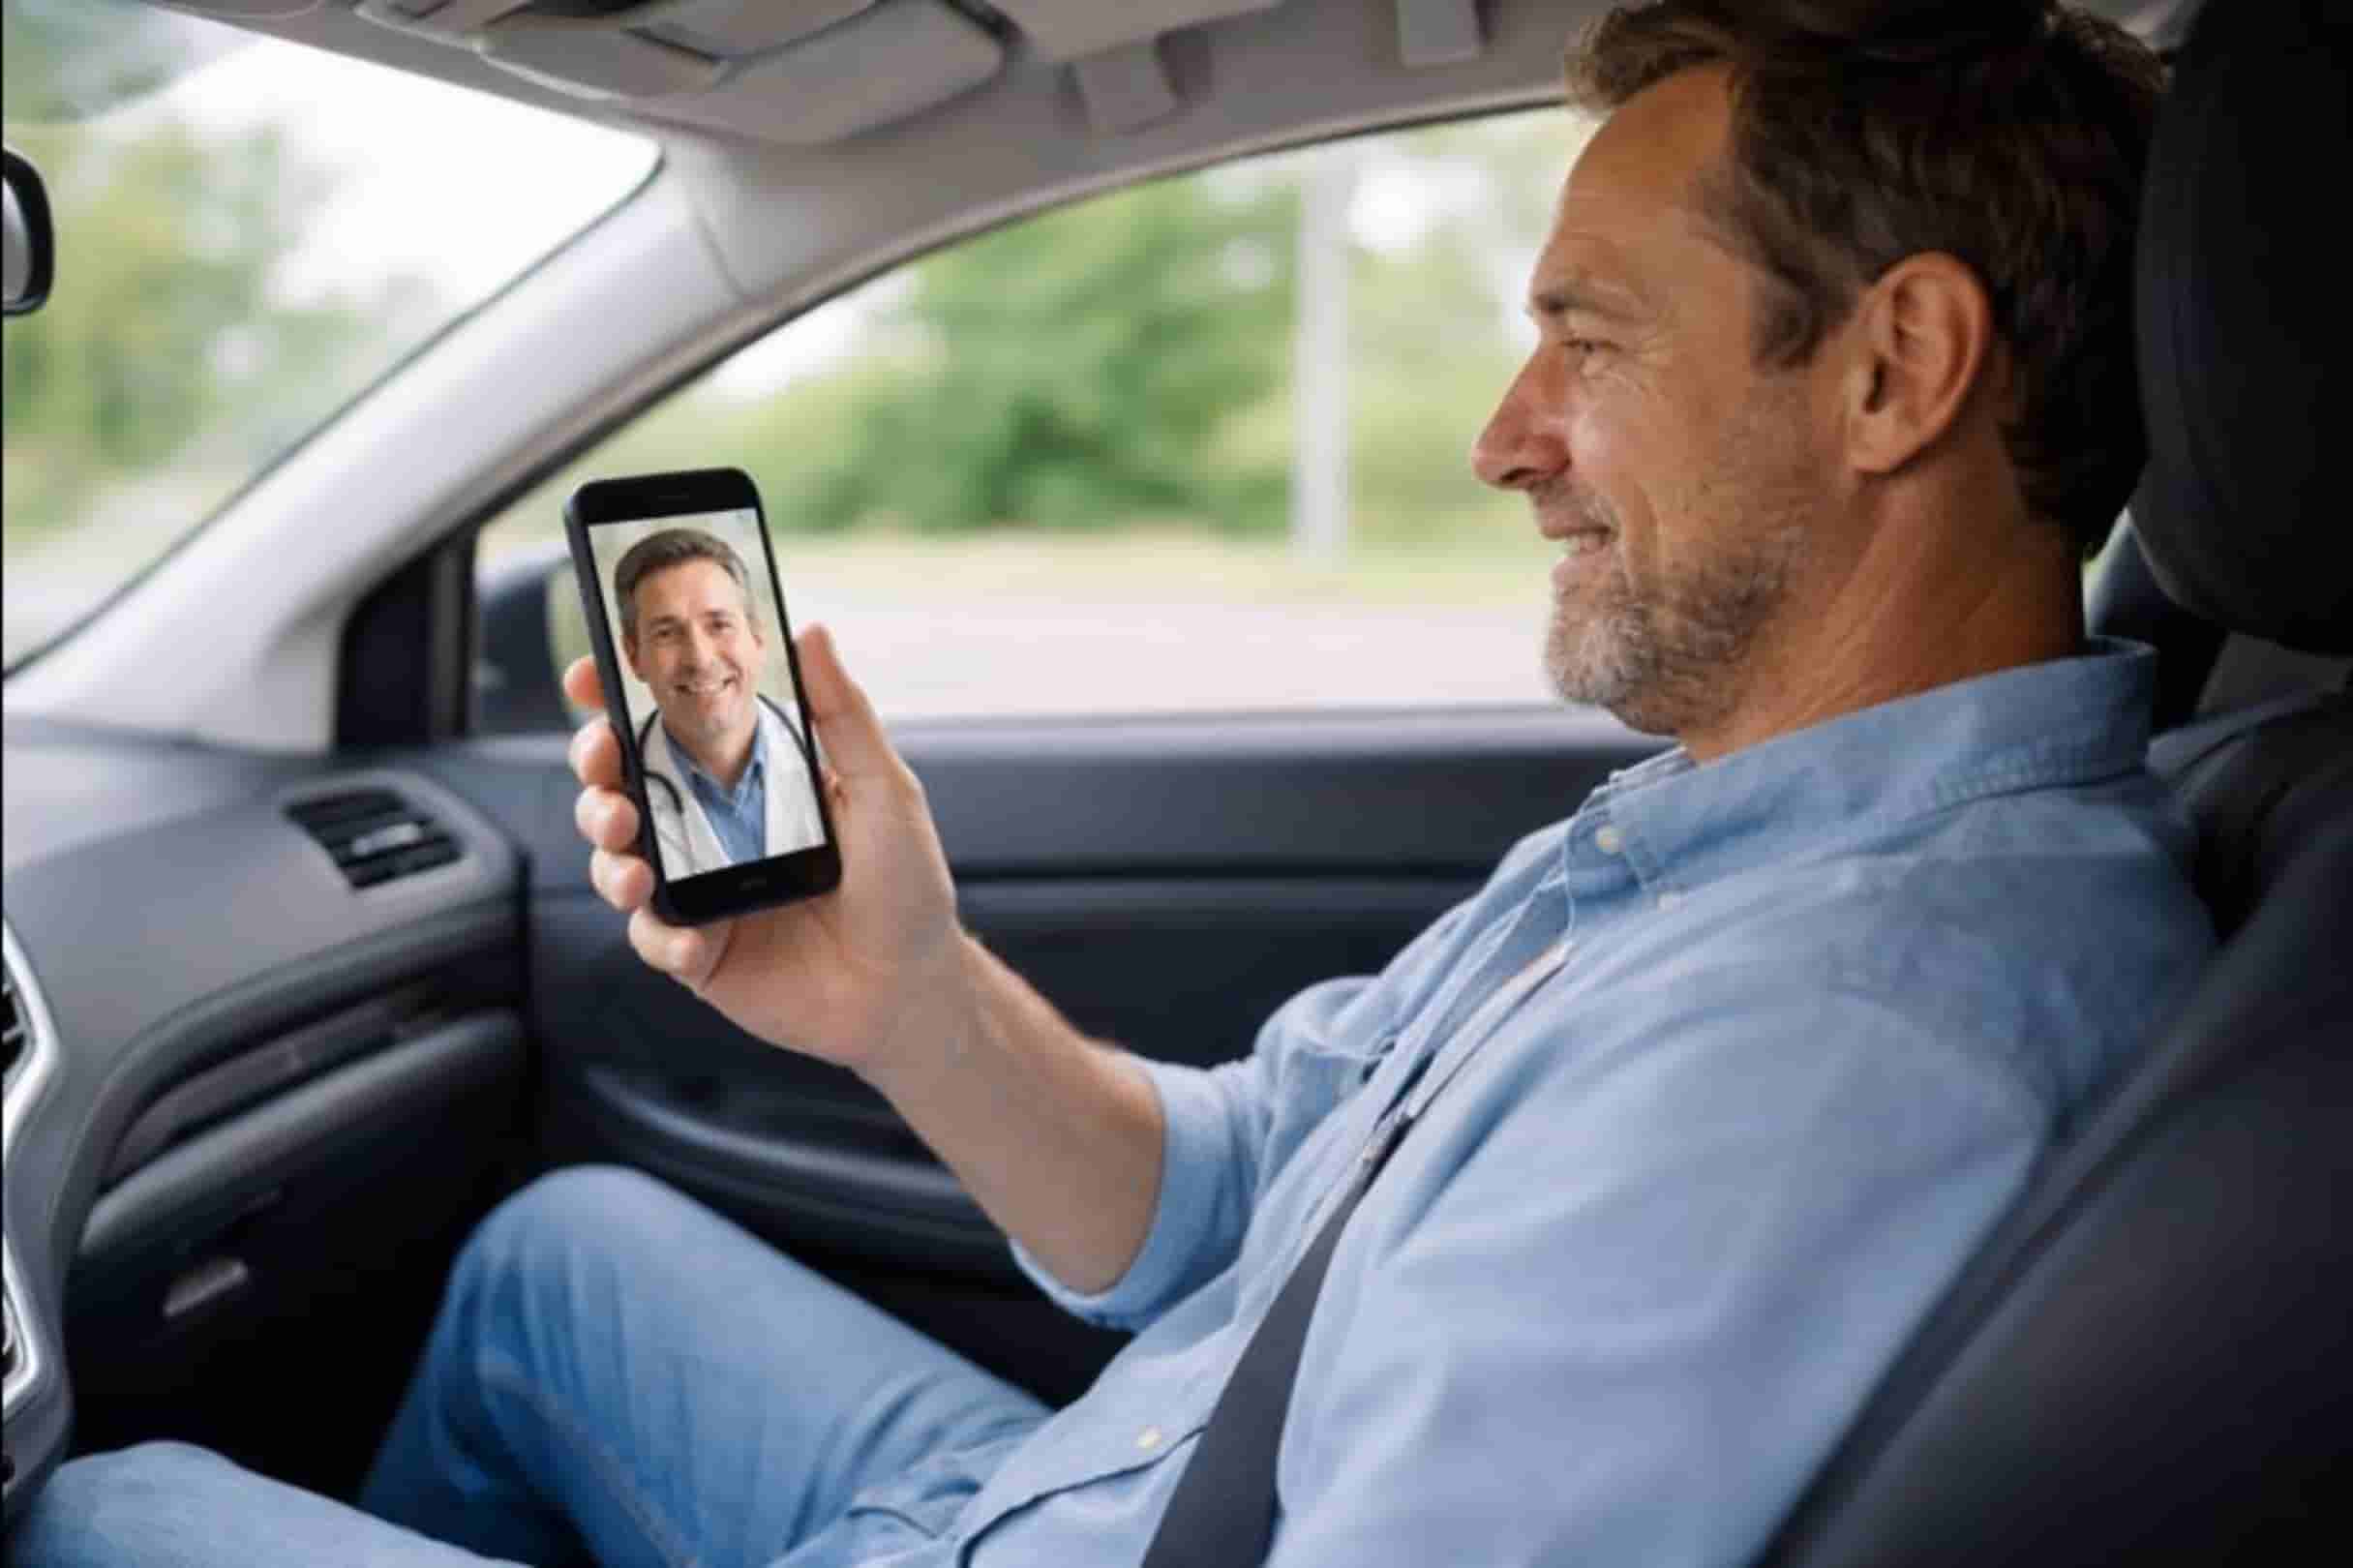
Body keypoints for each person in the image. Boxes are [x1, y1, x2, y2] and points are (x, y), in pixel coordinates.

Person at [12, 2, 2215, 1564]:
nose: (1503, 433)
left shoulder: (1833, 1046)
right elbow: (1250, 1198)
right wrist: (906, 991)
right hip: (1078, 1484)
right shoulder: (1739, 834)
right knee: (556, 1260)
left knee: (106, 1509)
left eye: (1595, 340)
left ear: (1892, 369)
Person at [611, 527, 824, 876]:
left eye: (719, 625)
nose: (699, 658)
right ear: (634, 657)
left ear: (757, 635)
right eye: (666, 633)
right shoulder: (617, 781)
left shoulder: (828, 748)